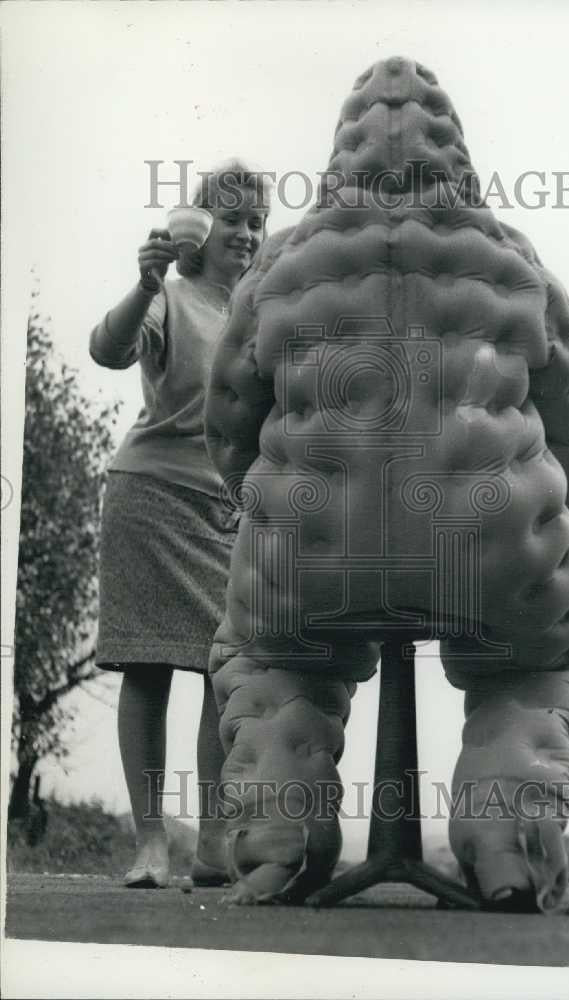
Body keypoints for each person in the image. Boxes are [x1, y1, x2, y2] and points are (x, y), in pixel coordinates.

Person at [89, 160, 270, 887]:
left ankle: (216, 845)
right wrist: (143, 283)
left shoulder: (264, 318)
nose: (248, 234)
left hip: (227, 512)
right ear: (202, 227)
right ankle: (151, 845)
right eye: (234, 220)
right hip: (149, 496)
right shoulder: (169, 297)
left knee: (221, 671)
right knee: (146, 666)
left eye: (257, 222)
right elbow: (107, 349)